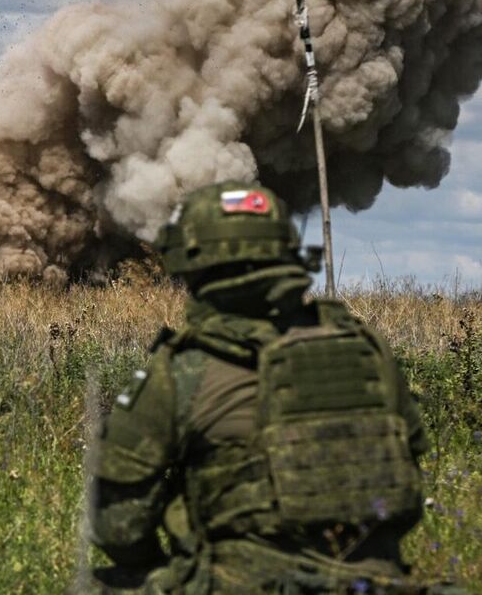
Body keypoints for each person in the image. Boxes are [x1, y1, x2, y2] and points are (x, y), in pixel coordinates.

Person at [91, 181, 432, 594]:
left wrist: (164, 569)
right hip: (376, 583)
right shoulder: (367, 350)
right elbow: (410, 470)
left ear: (191, 262)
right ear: (288, 251)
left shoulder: (183, 369)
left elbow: (118, 524)